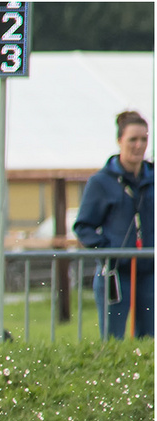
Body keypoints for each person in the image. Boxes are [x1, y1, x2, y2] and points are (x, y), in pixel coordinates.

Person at [74, 109, 153, 339]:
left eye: (144, 139)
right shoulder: (101, 182)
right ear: (120, 141)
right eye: (133, 139)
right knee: (113, 340)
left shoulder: (153, 178)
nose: (138, 145)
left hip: (149, 271)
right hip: (116, 274)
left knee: (150, 340)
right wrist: (108, 251)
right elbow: (83, 227)